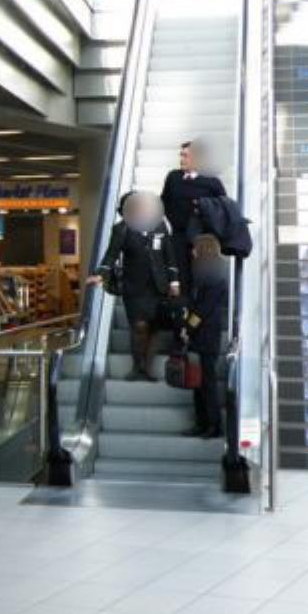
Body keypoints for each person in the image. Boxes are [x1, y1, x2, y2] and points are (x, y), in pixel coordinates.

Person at [87, 191, 179, 381]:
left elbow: (170, 256)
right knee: (139, 325)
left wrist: (174, 281)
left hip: (157, 286)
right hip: (134, 287)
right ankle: (138, 366)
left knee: (154, 327)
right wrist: (100, 274)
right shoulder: (121, 229)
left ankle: (147, 366)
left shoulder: (160, 225)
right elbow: (111, 255)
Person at [161, 140, 227, 291]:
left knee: (203, 279)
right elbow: (164, 201)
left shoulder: (212, 181)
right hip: (178, 237)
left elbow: (223, 209)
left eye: (186, 156)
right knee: (180, 277)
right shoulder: (173, 177)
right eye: (181, 155)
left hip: (202, 241)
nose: (181, 159)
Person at [185, 234, 229, 439]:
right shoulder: (206, 272)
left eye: (195, 248)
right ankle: (201, 423)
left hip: (207, 334)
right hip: (202, 333)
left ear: (204, 249)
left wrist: (188, 327)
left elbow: (203, 308)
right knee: (198, 382)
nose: (192, 252)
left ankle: (213, 425)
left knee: (207, 383)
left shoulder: (215, 276)